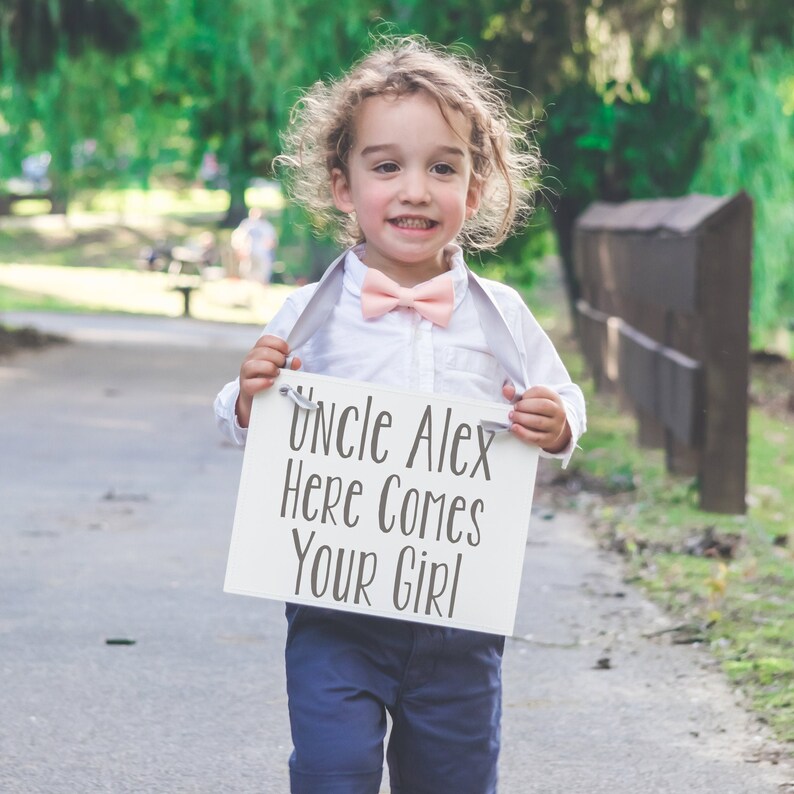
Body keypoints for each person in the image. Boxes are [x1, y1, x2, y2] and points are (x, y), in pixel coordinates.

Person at [214, 36, 586, 794]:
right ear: (343, 187)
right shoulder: (310, 312)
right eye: (387, 166)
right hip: (334, 609)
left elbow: (564, 400)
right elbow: (238, 418)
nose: (415, 189)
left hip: (459, 613)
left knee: (452, 778)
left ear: (474, 190)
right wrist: (251, 393)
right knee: (332, 771)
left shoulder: (502, 316)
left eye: (442, 167)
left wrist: (558, 423)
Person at [231, 206, 278, 283]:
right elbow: (237, 237)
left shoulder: (267, 226)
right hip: (248, 253)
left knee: (262, 275)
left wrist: (267, 247)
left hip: (262, 254)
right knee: (247, 274)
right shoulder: (246, 224)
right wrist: (240, 249)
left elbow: (272, 241)